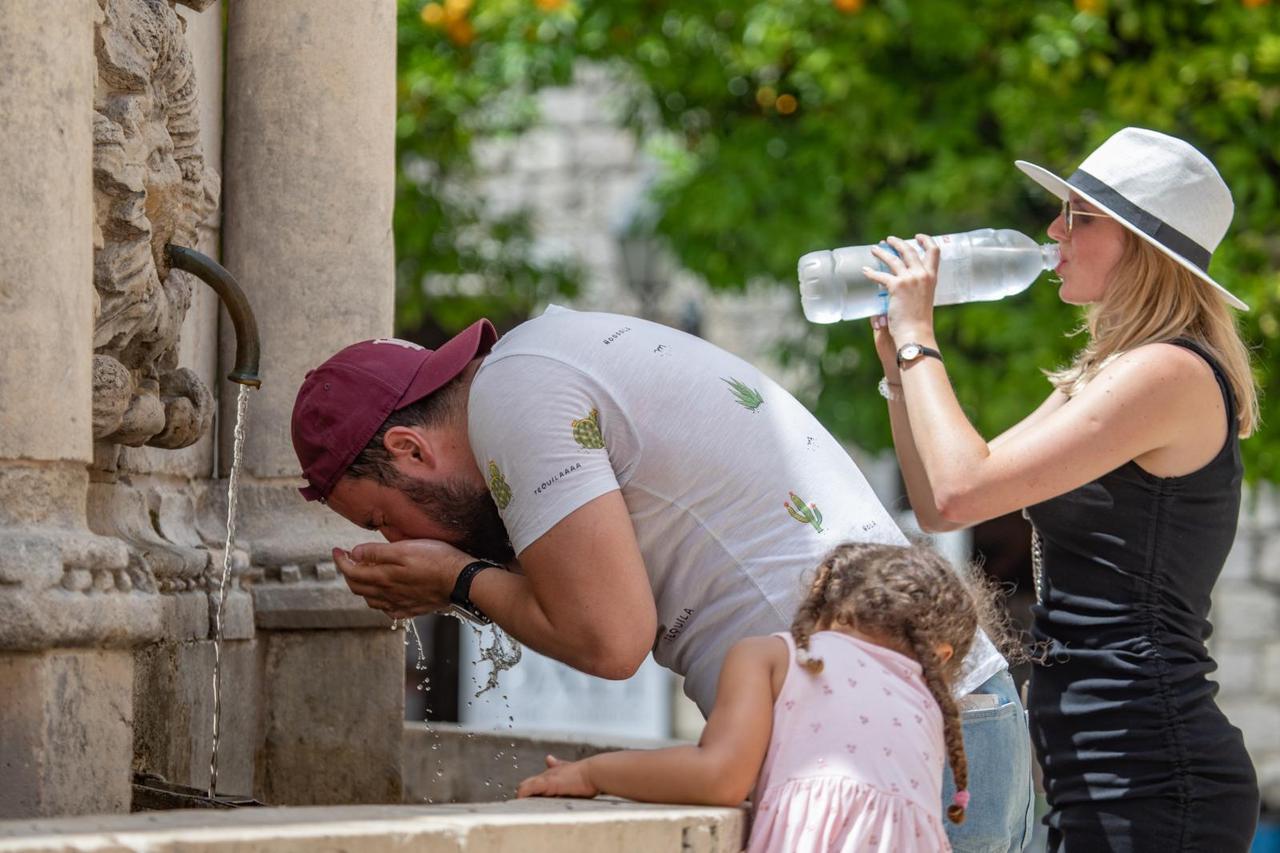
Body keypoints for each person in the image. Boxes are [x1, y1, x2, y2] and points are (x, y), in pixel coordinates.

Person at [290, 305, 1035, 851]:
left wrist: (456, 577)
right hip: (959, 715)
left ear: (409, 448)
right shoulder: (544, 359)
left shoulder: (511, 398)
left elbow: (611, 638)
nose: (394, 542)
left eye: (381, 519)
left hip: (880, 761)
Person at [862, 126, 1261, 851]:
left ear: (1141, 244)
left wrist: (923, 337)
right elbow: (940, 501)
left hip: (1151, 772)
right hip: (1098, 767)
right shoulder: (1110, 370)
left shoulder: (1167, 372)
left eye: (1078, 215)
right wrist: (899, 375)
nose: (1053, 231)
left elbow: (960, 488)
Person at [517, 541, 1014, 853]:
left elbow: (718, 778)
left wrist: (591, 772)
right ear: (941, 654)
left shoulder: (771, 655)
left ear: (821, 606)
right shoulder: (928, 701)